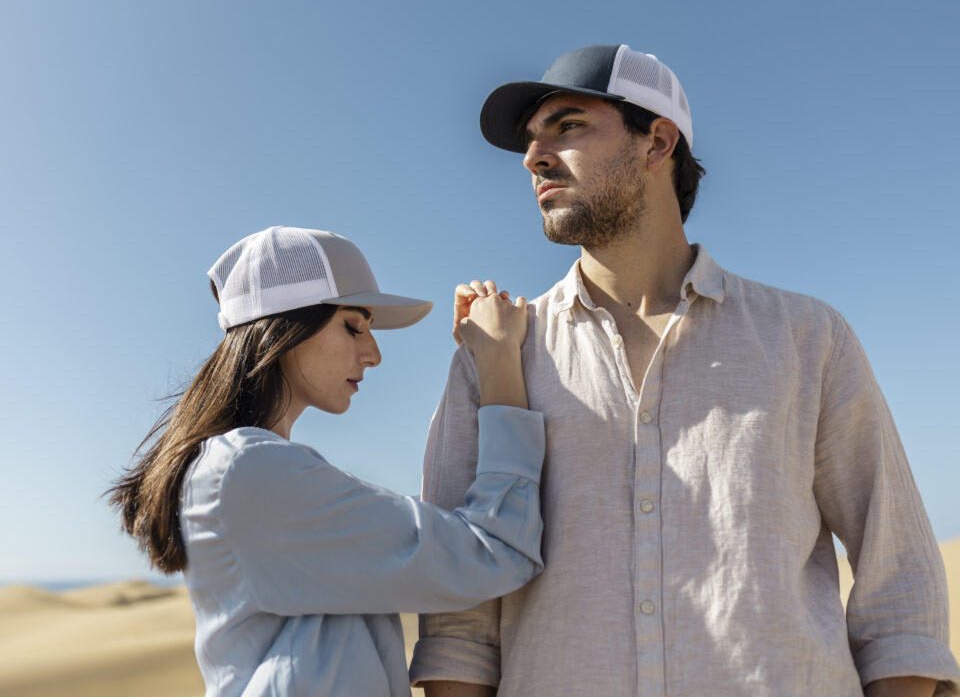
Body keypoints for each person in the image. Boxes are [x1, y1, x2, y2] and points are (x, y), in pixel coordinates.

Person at [411, 46, 960, 696]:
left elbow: (900, 580)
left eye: (568, 126)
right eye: (531, 141)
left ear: (657, 142)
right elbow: (458, 615)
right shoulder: (496, 352)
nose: (533, 158)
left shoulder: (807, 337)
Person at [107, 225, 546, 697]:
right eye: (353, 326)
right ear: (285, 328)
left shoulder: (245, 471)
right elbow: (495, 552)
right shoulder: (251, 474)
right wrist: (498, 361)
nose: (373, 353)